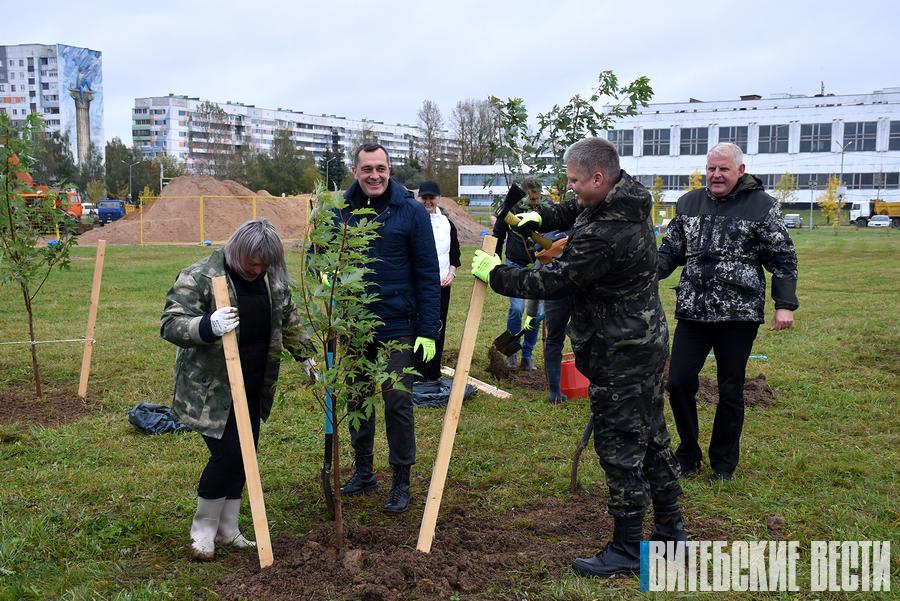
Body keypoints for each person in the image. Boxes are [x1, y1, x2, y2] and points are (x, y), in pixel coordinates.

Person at [471, 137, 685, 578]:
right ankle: (670, 531)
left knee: (621, 446)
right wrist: (541, 215)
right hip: (641, 342)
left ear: (598, 177)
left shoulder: (609, 234)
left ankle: (627, 548)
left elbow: (556, 280)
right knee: (653, 436)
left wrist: (496, 274)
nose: (571, 190)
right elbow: (576, 210)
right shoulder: (620, 198)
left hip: (619, 352)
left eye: (574, 181)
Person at [160, 219, 315, 561]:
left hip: (254, 384)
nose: (256, 270)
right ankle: (202, 530)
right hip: (211, 390)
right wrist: (206, 325)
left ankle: (227, 529)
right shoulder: (200, 276)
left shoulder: (272, 280)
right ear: (236, 251)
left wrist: (306, 357)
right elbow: (170, 324)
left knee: (245, 456)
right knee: (227, 456)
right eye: (251, 263)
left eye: (264, 264)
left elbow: (289, 323)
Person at [658, 142, 799, 482]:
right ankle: (688, 453)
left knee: (730, 389)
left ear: (740, 171)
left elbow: (782, 258)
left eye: (723, 169)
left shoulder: (763, 206)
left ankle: (723, 464)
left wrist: (784, 305)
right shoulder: (688, 203)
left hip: (738, 315)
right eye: (711, 169)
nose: (716, 175)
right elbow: (670, 252)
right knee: (678, 383)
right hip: (693, 311)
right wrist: (640, 274)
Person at [336, 143, 441, 514]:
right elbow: (324, 261)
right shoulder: (341, 213)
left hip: (398, 324)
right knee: (357, 398)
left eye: (380, 168)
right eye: (367, 169)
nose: (374, 175)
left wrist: (428, 330)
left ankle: (401, 481)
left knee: (397, 401)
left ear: (390, 169)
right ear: (355, 171)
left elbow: (428, 274)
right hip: (355, 327)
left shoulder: (411, 212)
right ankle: (363, 471)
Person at [492, 176, 552, 370]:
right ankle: (512, 355)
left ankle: (527, 356)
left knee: (535, 314)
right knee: (517, 309)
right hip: (514, 264)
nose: (535, 202)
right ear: (523, 196)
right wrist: (494, 259)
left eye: (538, 198)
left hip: (537, 267)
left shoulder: (547, 208)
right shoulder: (511, 207)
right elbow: (498, 235)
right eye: (531, 199)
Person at [414, 180, 461, 382]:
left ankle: (433, 372)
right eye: (424, 197)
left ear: (438, 198)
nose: (427, 201)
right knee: (417, 327)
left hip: (441, 285)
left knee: (438, 326)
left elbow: (455, 254)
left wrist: (451, 273)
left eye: (431, 198)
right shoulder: (413, 220)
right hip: (417, 285)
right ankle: (415, 372)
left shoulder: (447, 224)